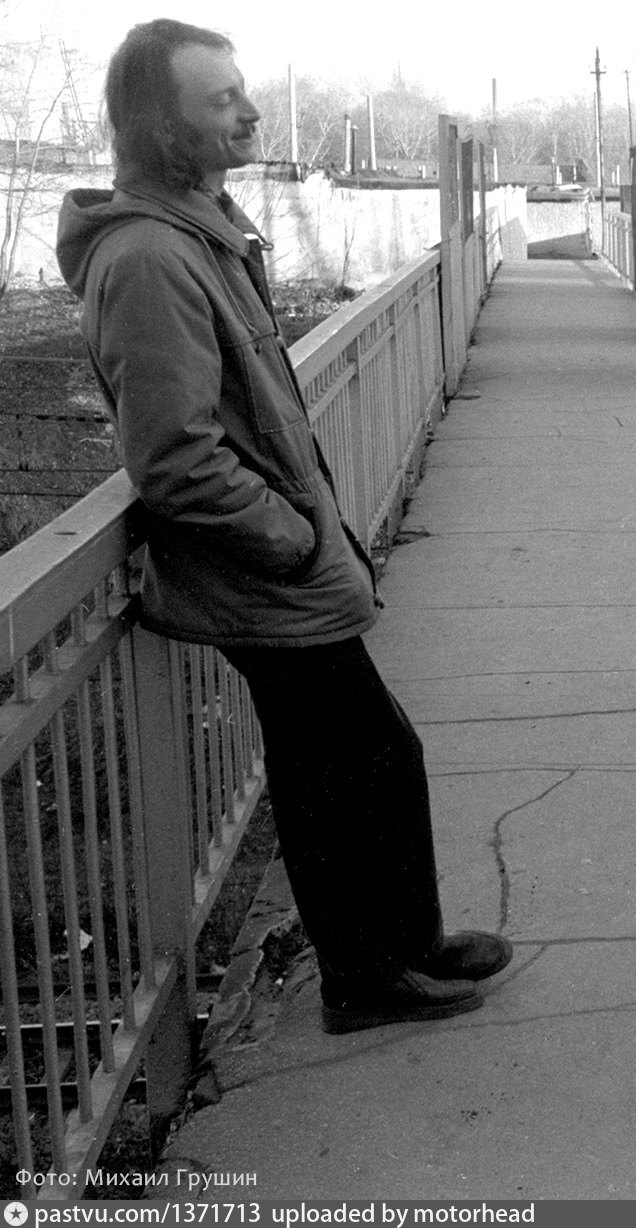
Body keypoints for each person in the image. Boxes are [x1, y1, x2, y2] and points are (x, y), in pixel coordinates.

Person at [56, 19, 511, 1036]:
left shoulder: (202, 230)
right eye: (219, 98)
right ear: (160, 124)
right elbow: (174, 455)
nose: (249, 110)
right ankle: (365, 973)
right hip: (257, 572)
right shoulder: (146, 258)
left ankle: (401, 944)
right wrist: (294, 538)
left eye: (241, 90)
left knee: (362, 756)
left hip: (276, 563)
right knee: (347, 765)